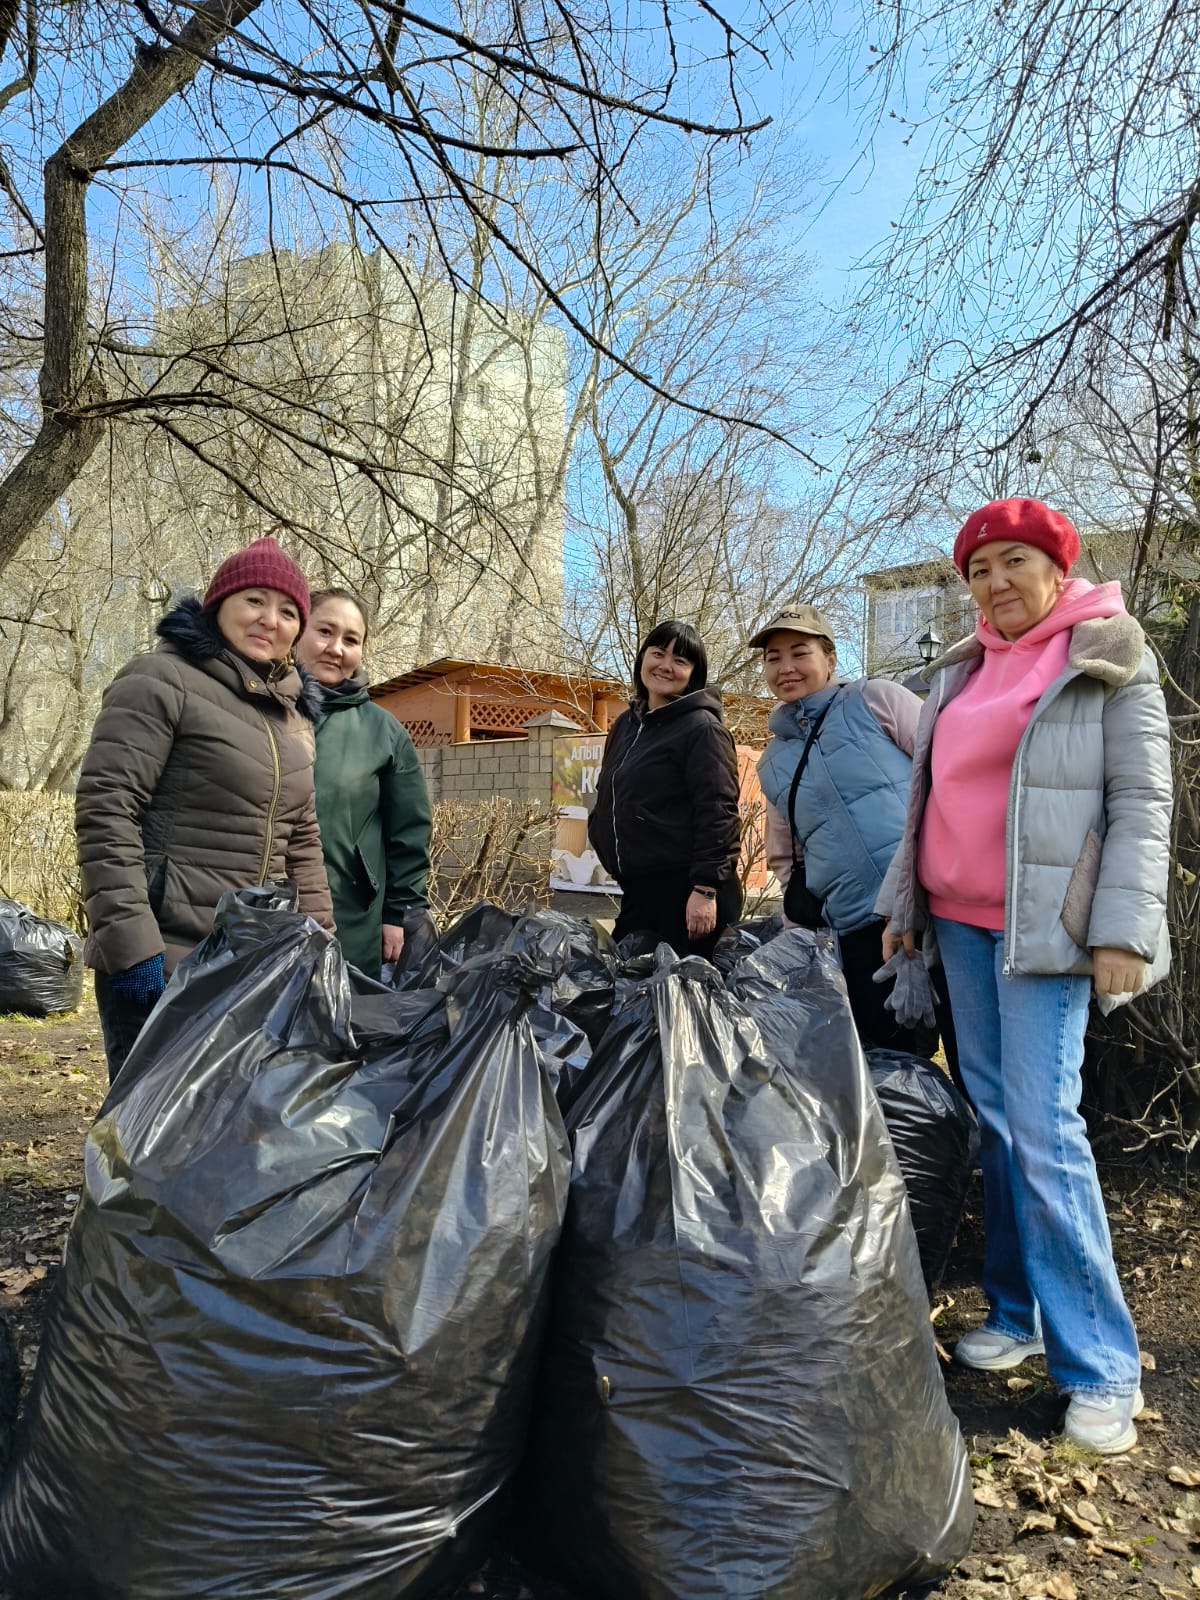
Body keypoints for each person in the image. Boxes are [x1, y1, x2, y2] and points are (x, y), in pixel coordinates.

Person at [881, 497, 1172, 1454]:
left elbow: (1143, 801)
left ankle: (1104, 1369)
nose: (996, 582)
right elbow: (926, 799)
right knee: (999, 1125)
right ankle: (1019, 1314)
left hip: (1048, 929)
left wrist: (1123, 930)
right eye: (979, 569)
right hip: (959, 925)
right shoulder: (961, 668)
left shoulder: (1108, 654)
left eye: (1015, 561)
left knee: (1046, 1134)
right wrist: (904, 907)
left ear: (1057, 568)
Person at [76, 536, 335, 1081]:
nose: (269, 619)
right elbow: (108, 809)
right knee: (147, 1124)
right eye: (254, 600)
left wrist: (322, 948)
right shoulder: (161, 678)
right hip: (164, 953)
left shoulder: (293, 720)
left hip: (250, 962)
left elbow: (303, 842)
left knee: (224, 1123)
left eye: (288, 611)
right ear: (219, 603)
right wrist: (131, 943)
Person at [752, 603, 952, 1061]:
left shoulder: (877, 698)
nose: (786, 667)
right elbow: (786, 854)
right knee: (893, 1064)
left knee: (972, 1055)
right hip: (859, 930)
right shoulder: (772, 762)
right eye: (773, 658)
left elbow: (948, 771)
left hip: (934, 904)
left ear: (829, 658)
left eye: (799, 652)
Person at [294, 588, 433, 980]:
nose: (336, 649)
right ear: (299, 631)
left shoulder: (382, 731)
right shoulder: (260, 712)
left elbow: (409, 832)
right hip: (261, 912)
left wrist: (398, 914)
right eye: (325, 631)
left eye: (351, 640)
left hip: (351, 919)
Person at [589, 621, 742, 957]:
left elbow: (719, 811)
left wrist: (705, 888)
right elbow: (610, 793)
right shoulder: (627, 724)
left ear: (694, 674)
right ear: (643, 657)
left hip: (688, 894)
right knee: (630, 982)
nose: (666, 666)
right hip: (641, 890)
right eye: (658, 653)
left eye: (680, 660)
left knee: (682, 989)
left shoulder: (702, 729)